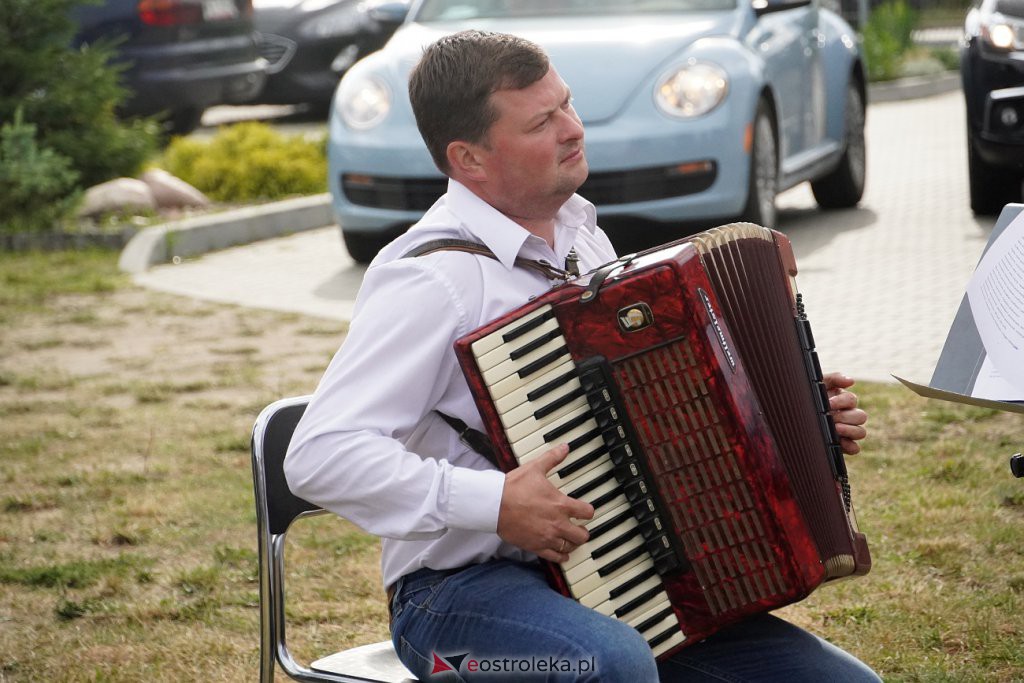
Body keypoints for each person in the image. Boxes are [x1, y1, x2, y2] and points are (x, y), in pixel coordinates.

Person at [284, 29, 878, 682]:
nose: (573, 129)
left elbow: (658, 410)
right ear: (469, 158)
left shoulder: (583, 239)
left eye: (567, 105)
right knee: (611, 666)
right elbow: (319, 453)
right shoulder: (431, 280)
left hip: (624, 576)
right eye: (543, 121)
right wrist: (493, 502)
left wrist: (788, 416)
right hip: (454, 608)